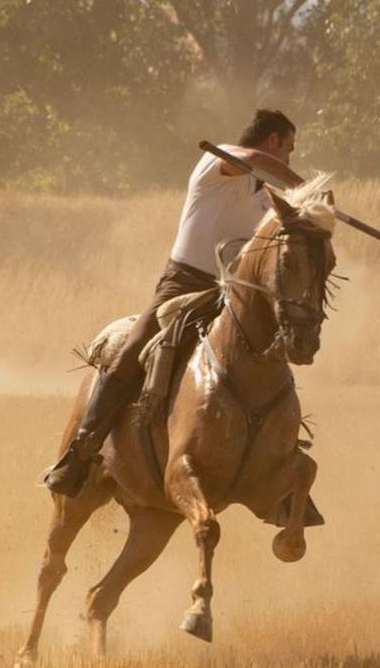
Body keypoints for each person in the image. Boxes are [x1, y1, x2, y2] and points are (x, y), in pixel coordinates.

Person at [43, 109, 306, 497]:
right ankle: (81, 450)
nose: (288, 158)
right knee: (132, 348)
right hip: (183, 283)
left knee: (270, 366)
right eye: (288, 148)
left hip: (232, 295)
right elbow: (254, 161)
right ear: (272, 141)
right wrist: (305, 187)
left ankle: (283, 471)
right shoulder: (218, 163)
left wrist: (311, 215)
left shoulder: (267, 203)